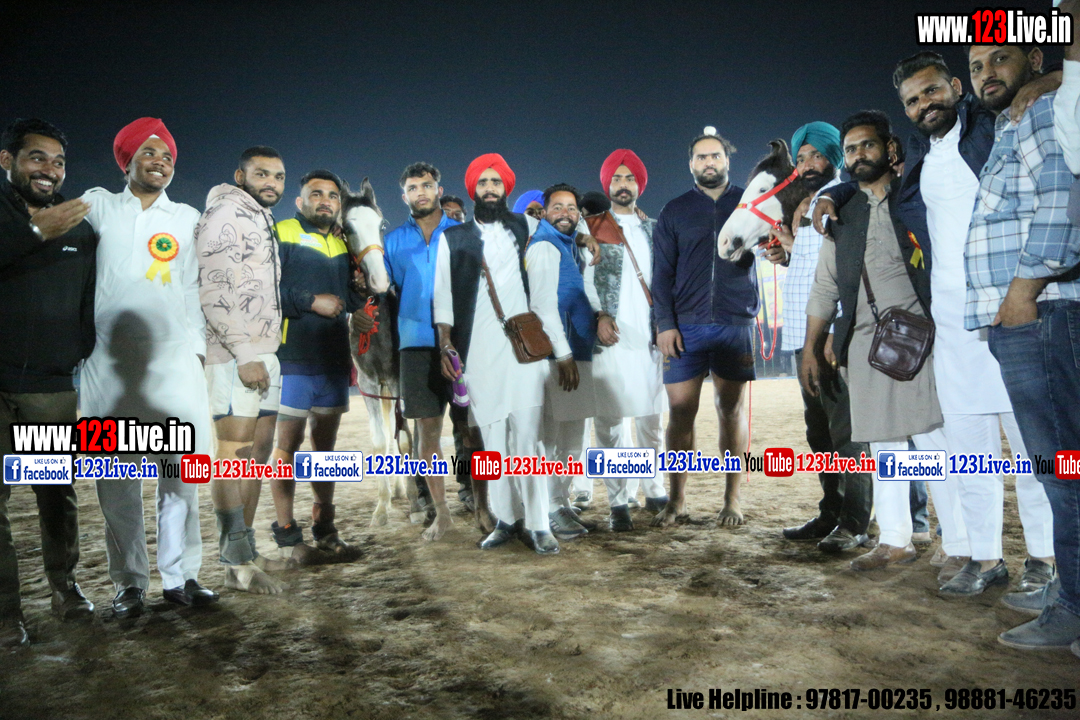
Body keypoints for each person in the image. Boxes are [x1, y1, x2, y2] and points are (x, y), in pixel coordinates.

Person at [890, 52, 1056, 597]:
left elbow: (1044, 99)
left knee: (1032, 450)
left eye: (932, 91)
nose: (925, 104)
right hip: (952, 327)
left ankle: (1043, 559)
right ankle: (986, 559)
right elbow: (877, 188)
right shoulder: (919, 156)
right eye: (913, 100)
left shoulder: (994, 126)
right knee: (970, 454)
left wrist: (1052, 77)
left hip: (1011, 313)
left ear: (956, 86)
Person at [959, 40, 1080, 650]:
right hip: (1027, 316)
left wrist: (1022, 293)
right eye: (975, 66)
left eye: (999, 59)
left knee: (1065, 472)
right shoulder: (1010, 123)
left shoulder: (1042, 111)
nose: (987, 74)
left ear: (1033, 60)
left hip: (1042, 312)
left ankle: (1074, 609)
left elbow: (1064, 202)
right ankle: (1071, 596)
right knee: (1060, 469)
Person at [82, 117, 217, 618]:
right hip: (107, 366)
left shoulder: (186, 217)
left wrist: (197, 350)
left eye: (168, 157)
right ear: (127, 159)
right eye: (149, 152)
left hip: (172, 365)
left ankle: (182, 577)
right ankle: (129, 584)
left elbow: (193, 287)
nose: (160, 162)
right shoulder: (97, 206)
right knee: (116, 481)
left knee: (180, 477)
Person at [802, 110, 949, 572]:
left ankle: (957, 540)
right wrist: (811, 346)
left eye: (868, 145)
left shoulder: (917, 197)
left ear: (889, 148)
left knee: (932, 440)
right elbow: (825, 286)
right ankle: (895, 540)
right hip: (863, 344)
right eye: (850, 149)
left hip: (919, 339)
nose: (858, 155)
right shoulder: (841, 214)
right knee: (883, 446)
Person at [0, 118, 95, 646]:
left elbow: (88, 302)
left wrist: (70, 354)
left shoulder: (78, 227)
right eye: (37, 157)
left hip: (49, 387)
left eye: (58, 162)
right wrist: (36, 232)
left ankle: (65, 587)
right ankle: (5, 613)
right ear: (6, 160)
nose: (50, 170)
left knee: (55, 495)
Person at [433, 153, 557, 554]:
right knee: (492, 441)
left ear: (506, 188)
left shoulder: (527, 226)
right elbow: (442, 296)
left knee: (529, 437)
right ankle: (506, 520)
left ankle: (539, 524)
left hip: (524, 350)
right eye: (483, 183)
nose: (490, 189)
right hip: (478, 351)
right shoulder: (453, 238)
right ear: (473, 189)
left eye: (496, 182)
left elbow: (564, 232)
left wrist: (587, 236)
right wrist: (445, 344)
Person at [771, 123, 874, 554]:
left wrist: (833, 333)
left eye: (817, 155)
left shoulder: (842, 199)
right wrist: (789, 250)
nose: (808, 164)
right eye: (801, 158)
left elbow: (845, 273)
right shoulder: (812, 204)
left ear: (834, 156)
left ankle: (855, 522)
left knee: (847, 434)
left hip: (829, 337)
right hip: (804, 337)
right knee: (820, 435)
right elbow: (816, 266)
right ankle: (831, 512)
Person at [197, 146, 290, 594]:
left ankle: (246, 550)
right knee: (231, 457)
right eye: (262, 174)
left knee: (256, 455)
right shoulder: (224, 214)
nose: (271, 182)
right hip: (236, 356)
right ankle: (234, 560)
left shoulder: (260, 216)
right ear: (240, 175)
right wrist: (244, 353)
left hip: (264, 352)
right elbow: (214, 291)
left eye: (278, 176)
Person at [652, 130, 754, 527]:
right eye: (700, 157)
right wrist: (665, 324)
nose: (708, 162)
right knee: (680, 412)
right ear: (691, 164)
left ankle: (732, 500)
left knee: (731, 410)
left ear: (727, 160)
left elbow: (772, 248)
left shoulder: (750, 204)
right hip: (685, 327)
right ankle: (676, 500)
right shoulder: (674, 210)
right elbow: (662, 273)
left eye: (714, 156)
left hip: (734, 323)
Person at [268, 170, 365, 564]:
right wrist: (310, 301)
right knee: (287, 448)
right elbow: (263, 288)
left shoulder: (342, 242)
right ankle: (289, 539)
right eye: (316, 194)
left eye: (332, 195)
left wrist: (359, 291)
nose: (326, 200)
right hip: (291, 357)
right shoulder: (281, 232)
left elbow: (348, 301)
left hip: (333, 360)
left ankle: (325, 530)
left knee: (325, 451)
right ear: (300, 201)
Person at [383, 162, 483, 540]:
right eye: (412, 188)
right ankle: (442, 512)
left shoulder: (463, 235)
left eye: (426, 185)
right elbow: (383, 289)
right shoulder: (393, 242)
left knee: (472, 429)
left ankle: (482, 502)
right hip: (415, 345)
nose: (420, 193)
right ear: (404, 196)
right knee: (427, 431)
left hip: (463, 342)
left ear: (439, 190)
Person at [584, 149, 667, 531]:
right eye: (616, 178)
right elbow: (582, 280)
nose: (622, 184)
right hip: (610, 339)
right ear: (607, 184)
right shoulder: (591, 227)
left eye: (629, 177)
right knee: (610, 421)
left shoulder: (656, 229)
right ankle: (618, 501)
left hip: (650, 339)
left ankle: (655, 489)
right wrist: (598, 314)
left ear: (639, 184)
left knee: (651, 419)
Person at [531, 184, 599, 540]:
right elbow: (542, 305)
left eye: (571, 208)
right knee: (552, 438)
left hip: (576, 352)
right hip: (558, 357)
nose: (565, 213)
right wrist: (564, 354)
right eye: (557, 207)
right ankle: (550, 506)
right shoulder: (544, 246)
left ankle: (560, 500)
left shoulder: (569, 244)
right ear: (544, 213)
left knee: (572, 437)